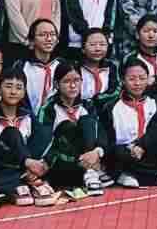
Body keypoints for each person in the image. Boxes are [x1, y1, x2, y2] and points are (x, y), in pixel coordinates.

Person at [0, 71, 57, 205]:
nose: (13, 92)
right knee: (12, 133)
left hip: (29, 169)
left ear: (24, 92)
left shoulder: (28, 117)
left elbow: (45, 141)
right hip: (2, 167)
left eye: (19, 88)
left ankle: (26, 180)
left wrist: (44, 163)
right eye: (8, 86)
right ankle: (27, 181)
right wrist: (26, 163)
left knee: (46, 132)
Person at [101, 59, 157, 188]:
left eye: (142, 78)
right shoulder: (111, 107)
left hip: (149, 149)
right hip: (126, 154)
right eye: (132, 79)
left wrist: (141, 145)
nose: (137, 83)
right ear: (123, 80)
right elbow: (110, 139)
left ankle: (129, 175)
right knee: (116, 152)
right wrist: (132, 148)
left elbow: (156, 128)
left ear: (148, 79)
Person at [39, 64, 108, 194]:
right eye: (66, 81)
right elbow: (44, 142)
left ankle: (90, 171)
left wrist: (96, 152)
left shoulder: (87, 105)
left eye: (77, 80)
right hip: (61, 164)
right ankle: (90, 170)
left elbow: (100, 132)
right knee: (66, 126)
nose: (72, 86)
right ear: (57, 84)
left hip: (89, 160)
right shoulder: (49, 109)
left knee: (87, 121)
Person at [14, 17, 66, 116]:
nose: (49, 39)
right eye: (42, 35)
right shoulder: (21, 66)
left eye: (52, 34)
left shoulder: (62, 65)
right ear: (32, 41)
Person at [126, 14, 157, 90]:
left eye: (155, 31)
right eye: (146, 31)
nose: (151, 35)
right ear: (137, 35)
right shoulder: (130, 59)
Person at [71, 27, 117, 102]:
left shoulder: (112, 68)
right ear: (83, 49)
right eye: (92, 45)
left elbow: (115, 92)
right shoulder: (74, 69)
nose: (98, 49)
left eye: (102, 44)